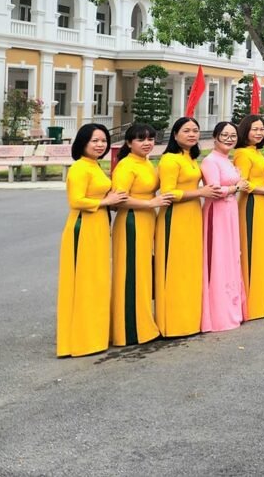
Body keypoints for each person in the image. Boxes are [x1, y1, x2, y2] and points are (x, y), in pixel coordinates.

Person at [58, 123, 127, 357]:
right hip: (83, 226)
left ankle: (95, 335)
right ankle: (81, 340)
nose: (100, 145)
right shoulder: (80, 167)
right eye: (94, 141)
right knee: (85, 281)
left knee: (97, 280)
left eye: (103, 141)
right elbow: (76, 201)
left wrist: (111, 200)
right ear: (83, 143)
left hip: (98, 225)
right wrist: (107, 201)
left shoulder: (94, 165)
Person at [109, 123, 172, 347]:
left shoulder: (146, 162)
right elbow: (119, 199)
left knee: (144, 274)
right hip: (131, 222)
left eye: (150, 139)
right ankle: (130, 330)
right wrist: (150, 203)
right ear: (128, 143)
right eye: (141, 139)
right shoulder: (126, 166)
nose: (147, 143)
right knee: (132, 276)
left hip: (146, 221)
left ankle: (144, 323)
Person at [156, 116, 219, 337]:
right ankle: (173, 323)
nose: (192, 134)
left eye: (195, 131)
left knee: (190, 268)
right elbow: (167, 192)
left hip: (192, 215)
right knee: (176, 269)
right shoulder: (170, 159)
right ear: (175, 135)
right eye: (186, 131)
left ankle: (190, 319)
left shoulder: (190, 158)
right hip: (176, 217)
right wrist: (200, 192)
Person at [200, 121, 247, 332]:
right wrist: (236, 187)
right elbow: (215, 190)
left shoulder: (226, 160)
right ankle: (219, 313)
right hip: (217, 212)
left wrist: (236, 186)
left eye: (233, 135)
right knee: (219, 258)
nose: (229, 139)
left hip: (230, 211)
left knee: (231, 257)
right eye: (225, 135)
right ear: (215, 137)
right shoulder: (210, 161)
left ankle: (233, 306)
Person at [233, 115, 264, 321]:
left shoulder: (256, 152)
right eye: (255, 129)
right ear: (245, 131)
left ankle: (260, 301)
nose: (259, 133)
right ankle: (250, 305)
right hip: (252, 203)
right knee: (252, 251)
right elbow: (242, 182)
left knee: (262, 251)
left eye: (262, 129)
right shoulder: (242, 153)